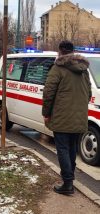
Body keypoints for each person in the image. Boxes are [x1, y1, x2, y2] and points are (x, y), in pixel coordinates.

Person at [42, 40, 91, 195]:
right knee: (71, 148)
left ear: (60, 51)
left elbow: (48, 93)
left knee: (62, 149)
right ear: (73, 51)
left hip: (62, 117)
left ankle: (67, 183)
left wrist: (46, 113)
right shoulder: (84, 70)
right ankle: (70, 178)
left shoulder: (58, 68)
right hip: (79, 117)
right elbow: (88, 93)